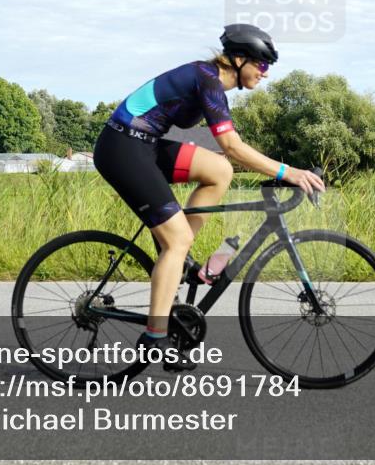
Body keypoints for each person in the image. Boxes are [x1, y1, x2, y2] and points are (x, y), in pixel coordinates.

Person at [92, 24, 326, 370]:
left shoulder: (211, 84)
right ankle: (155, 337)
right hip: (121, 147)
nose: (265, 74)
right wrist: (287, 172)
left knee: (219, 171)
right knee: (178, 239)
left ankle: (179, 260)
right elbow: (232, 145)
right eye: (262, 65)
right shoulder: (207, 77)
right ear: (239, 59)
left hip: (145, 145)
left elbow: (223, 149)